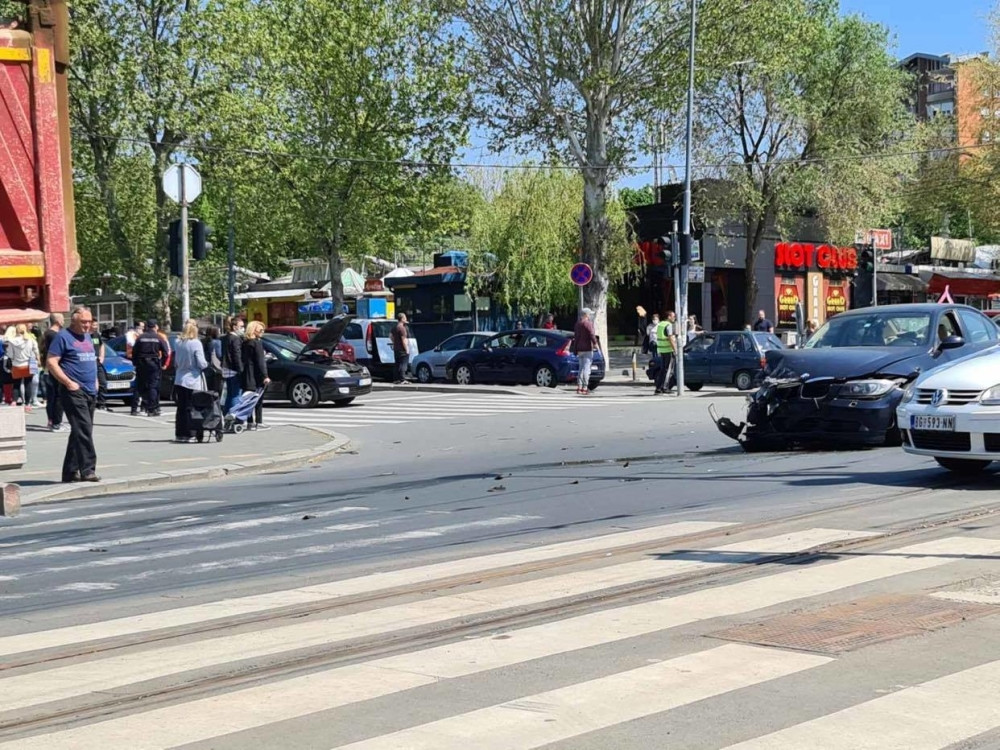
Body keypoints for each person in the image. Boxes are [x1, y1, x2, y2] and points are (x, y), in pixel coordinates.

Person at [46, 306, 100, 483]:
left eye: (89, 321)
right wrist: (69, 383)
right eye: (83, 322)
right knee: (84, 429)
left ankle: (70, 472)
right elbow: (51, 362)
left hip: (90, 390)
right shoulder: (63, 337)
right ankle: (88, 470)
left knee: (80, 430)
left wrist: (96, 381)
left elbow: (92, 359)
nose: (87, 325)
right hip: (73, 391)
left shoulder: (88, 337)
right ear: (74, 320)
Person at [173, 319, 208, 443]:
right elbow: (201, 363)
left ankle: (180, 434)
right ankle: (191, 434)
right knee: (192, 408)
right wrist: (206, 365)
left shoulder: (178, 342)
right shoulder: (196, 343)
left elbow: (176, 361)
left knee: (181, 408)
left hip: (179, 378)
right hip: (192, 379)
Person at [132, 319, 168, 416]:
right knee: (153, 386)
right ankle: (151, 409)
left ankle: (134, 408)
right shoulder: (158, 337)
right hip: (153, 363)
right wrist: (163, 363)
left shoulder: (140, 338)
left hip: (141, 363)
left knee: (140, 386)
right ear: (155, 326)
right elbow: (165, 352)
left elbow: (134, 352)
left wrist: (135, 363)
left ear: (147, 326)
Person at [240, 320, 270, 430]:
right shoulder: (257, 343)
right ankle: (259, 422)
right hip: (256, 375)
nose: (262, 332)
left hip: (246, 374)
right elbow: (260, 362)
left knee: (248, 399)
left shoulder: (245, 342)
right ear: (254, 330)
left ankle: (249, 422)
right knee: (258, 399)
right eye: (260, 330)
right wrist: (265, 376)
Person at [41, 313, 66, 431]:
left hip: (48, 368)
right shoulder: (55, 335)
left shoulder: (47, 333)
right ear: (57, 321)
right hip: (55, 368)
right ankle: (57, 422)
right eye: (62, 319)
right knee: (58, 395)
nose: (64, 321)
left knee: (51, 396)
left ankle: (51, 421)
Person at [8, 323, 40, 410]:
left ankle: (14, 402)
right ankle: (28, 404)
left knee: (16, 384)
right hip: (29, 364)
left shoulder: (12, 341)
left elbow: (10, 355)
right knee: (28, 384)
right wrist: (38, 361)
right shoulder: (31, 340)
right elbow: (36, 351)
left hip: (16, 365)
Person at [221, 316, 244, 413]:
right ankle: (234, 415)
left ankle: (226, 415)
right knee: (235, 394)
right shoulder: (235, 339)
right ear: (234, 327)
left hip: (226, 368)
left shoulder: (225, 337)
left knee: (229, 394)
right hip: (233, 369)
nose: (243, 328)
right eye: (241, 326)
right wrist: (241, 369)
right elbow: (236, 355)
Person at [574, 308, 598, 395]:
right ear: (586, 315)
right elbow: (592, 334)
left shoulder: (578, 324)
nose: (590, 316)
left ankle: (579, 387)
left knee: (581, 368)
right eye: (589, 314)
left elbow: (576, 337)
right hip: (587, 349)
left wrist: (575, 349)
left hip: (580, 349)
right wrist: (595, 344)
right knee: (586, 369)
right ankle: (585, 387)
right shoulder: (588, 324)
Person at [655, 311, 678, 395]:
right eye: (673, 316)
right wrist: (675, 349)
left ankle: (659, 388)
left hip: (662, 350)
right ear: (669, 317)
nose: (674, 318)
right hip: (668, 350)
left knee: (663, 370)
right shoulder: (669, 325)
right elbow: (670, 338)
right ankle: (665, 387)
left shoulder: (660, 324)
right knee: (668, 370)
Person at [201, 325, 223, 394]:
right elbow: (219, 355)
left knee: (207, 388)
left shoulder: (202, 341)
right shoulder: (217, 342)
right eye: (219, 331)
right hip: (214, 368)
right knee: (216, 389)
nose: (220, 332)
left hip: (205, 367)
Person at [391, 313, 410, 384]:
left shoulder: (394, 327)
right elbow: (403, 339)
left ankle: (396, 379)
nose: (406, 319)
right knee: (403, 364)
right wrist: (406, 349)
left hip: (396, 349)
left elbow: (390, 336)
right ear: (402, 319)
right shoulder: (402, 328)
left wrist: (394, 342)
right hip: (402, 349)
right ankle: (402, 379)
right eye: (405, 318)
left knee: (397, 364)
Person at [92, 330, 108, 410]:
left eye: (96, 325)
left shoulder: (96, 335)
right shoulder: (85, 335)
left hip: (98, 362)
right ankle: (92, 402)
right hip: (89, 363)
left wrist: (102, 356)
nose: (95, 327)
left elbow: (102, 345)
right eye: (94, 325)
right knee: (92, 384)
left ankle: (101, 403)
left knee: (103, 383)